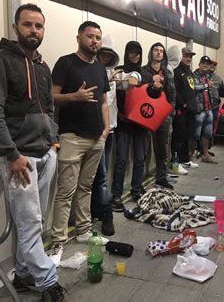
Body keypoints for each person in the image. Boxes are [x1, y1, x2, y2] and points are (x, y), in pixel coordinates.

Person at [0, 3, 65, 300]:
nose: (34, 30)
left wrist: (53, 139)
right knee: (30, 224)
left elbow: (49, 107)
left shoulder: (42, 66)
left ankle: (24, 273)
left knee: (36, 221)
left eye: (39, 26)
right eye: (28, 25)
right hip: (20, 159)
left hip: (45, 152)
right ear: (16, 27)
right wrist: (11, 154)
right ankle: (47, 282)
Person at [49, 21, 110, 267]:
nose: (94, 41)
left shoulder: (100, 67)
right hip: (72, 136)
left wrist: (106, 130)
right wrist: (74, 97)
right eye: (90, 37)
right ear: (78, 38)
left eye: (98, 37)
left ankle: (84, 229)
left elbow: (104, 101)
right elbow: (51, 97)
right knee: (65, 191)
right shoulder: (65, 63)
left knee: (86, 187)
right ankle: (58, 240)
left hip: (97, 137)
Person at [110, 41, 145, 211]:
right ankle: (116, 195)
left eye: (137, 52)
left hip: (140, 123)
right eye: (131, 52)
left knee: (139, 159)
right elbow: (111, 95)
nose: (135, 55)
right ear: (126, 52)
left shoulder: (143, 72)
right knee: (121, 160)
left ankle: (136, 190)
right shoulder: (119, 69)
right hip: (122, 121)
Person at [90, 35, 119, 236]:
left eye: (109, 56)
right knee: (95, 176)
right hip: (94, 131)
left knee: (102, 173)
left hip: (111, 129)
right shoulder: (91, 72)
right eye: (103, 54)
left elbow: (134, 80)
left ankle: (101, 212)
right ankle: (100, 212)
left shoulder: (114, 75)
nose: (105, 58)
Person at [141, 42, 176, 188]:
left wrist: (170, 113)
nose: (158, 53)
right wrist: (151, 83)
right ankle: (139, 181)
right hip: (146, 114)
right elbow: (139, 90)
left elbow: (172, 94)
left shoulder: (167, 73)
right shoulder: (143, 71)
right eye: (156, 50)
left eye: (161, 51)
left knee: (162, 148)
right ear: (151, 53)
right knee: (142, 149)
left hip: (163, 116)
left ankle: (161, 177)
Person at [171, 47, 199, 170]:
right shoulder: (176, 72)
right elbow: (175, 91)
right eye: (186, 56)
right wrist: (183, 104)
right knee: (178, 138)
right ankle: (175, 164)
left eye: (190, 57)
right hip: (180, 111)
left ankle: (185, 160)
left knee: (187, 136)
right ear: (180, 56)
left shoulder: (189, 72)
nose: (188, 59)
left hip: (190, 112)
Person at [192, 56, 218, 164]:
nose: (206, 65)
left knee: (207, 134)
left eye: (207, 63)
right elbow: (194, 87)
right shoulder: (194, 75)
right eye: (203, 63)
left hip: (209, 109)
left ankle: (205, 154)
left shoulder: (208, 76)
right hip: (199, 109)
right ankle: (193, 155)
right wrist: (207, 85)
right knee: (195, 134)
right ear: (199, 64)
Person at [208, 59, 224, 152]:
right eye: (211, 64)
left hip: (215, 107)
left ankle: (208, 149)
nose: (213, 66)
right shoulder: (201, 75)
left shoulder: (218, 78)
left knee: (212, 128)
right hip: (203, 107)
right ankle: (200, 149)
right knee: (203, 128)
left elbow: (222, 94)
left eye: (214, 65)